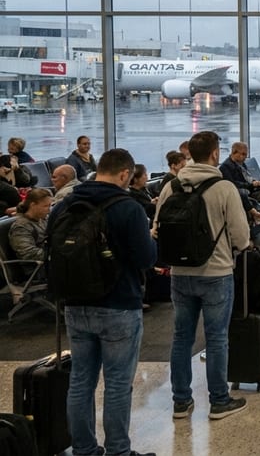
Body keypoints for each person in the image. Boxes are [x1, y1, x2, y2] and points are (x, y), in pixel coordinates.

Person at [51, 148, 157, 455]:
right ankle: (118, 450)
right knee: (118, 383)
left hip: (74, 303)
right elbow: (146, 259)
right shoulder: (128, 208)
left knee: (80, 381)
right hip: (119, 304)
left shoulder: (65, 205)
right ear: (124, 174)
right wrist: (151, 238)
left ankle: (83, 449)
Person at [157, 131, 251, 421]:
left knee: (181, 337)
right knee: (217, 338)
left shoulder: (171, 186)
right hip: (216, 272)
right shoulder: (223, 188)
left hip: (180, 273)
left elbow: (157, 227)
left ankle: (181, 401)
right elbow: (241, 236)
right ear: (214, 154)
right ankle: (219, 400)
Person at [219, 141, 260, 207]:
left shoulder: (240, 164)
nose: (245, 157)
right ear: (234, 153)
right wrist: (251, 184)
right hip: (247, 194)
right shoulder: (226, 167)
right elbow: (232, 185)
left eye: (245, 154)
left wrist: (254, 182)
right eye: (243, 154)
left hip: (252, 189)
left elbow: (247, 177)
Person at [8, 188, 52, 266]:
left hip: (49, 262)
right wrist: (57, 255)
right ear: (33, 205)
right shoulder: (20, 227)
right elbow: (28, 254)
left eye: (49, 206)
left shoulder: (43, 219)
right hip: (37, 267)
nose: (49, 210)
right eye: (45, 206)